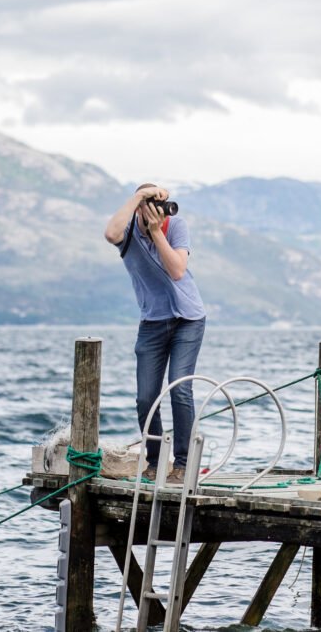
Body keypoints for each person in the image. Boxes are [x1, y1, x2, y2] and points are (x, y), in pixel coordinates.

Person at [104, 184, 206, 485]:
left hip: (189, 319)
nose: (160, 213)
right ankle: (156, 461)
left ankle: (184, 465)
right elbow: (110, 233)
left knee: (179, 389)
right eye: (152, 207)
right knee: (146, 397)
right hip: (152, 323)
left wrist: (158, 231)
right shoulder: (129, 234)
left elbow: (176, 270)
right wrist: (138, 198)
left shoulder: (175, 226)